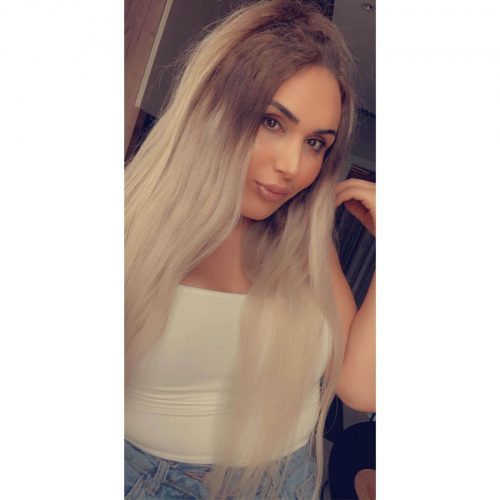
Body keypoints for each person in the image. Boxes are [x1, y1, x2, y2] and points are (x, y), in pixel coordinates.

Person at [124, 0, 375, 498]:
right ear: (215, 108)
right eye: (272, 123)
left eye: (316, 143)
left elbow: (360, 389)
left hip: (291, 479)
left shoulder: (306, 245)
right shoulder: (130, 229)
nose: (292, 167)